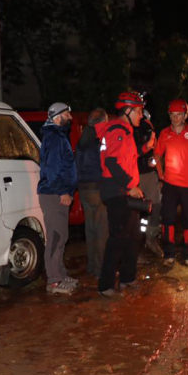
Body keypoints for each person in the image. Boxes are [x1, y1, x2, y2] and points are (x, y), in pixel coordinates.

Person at [96, 92, 146, 297]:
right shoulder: (118, 130)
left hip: (124, 191)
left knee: (133, 236)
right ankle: (106, 286)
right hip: (118, 191)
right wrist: (130, 186)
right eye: (139, 111)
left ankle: (128, 278)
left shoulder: (124, 130)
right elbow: (111, 162)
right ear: (128, 111)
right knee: (117, 238)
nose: (141, 116)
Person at [37, 102, 78, 294]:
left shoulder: (57, 135)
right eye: (67, 114)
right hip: (54, 194)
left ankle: (60, 274)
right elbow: (52, 168)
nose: (70, 117)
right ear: (58, 116)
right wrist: (63, 191)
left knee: (61, 236)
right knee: (56, 237)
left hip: (56, 192)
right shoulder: (54, 136)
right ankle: (53, 281)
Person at [155, 99, 188, 268]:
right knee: (167, 218)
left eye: (179, 115)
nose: (175, 118)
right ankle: (169, 254)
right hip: (170, 184)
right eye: (172, 115)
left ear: (185, 115)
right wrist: (161, 176)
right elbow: (157, 155)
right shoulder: (164, 134)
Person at [75, 108, 109, 277]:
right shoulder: (100, 140)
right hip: (97, 187)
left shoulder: (82, 140)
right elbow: (105, 164)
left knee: (90, 229)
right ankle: (100, 268)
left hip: (83, 189)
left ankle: (91, 265)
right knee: (102, 229)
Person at [134, 109, 164, 258]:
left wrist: (160, 177)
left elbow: (156, 154)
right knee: (136, 211)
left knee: (156, 205)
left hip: (149, 174)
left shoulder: (148, 128)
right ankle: (136, 248)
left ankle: (151, 238)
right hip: (134, 175)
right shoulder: (127, 129)